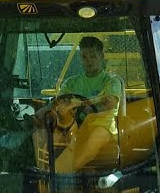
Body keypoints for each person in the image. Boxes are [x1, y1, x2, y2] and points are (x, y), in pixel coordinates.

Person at [39, 36, 125, 173]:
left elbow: (109, 104)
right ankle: (42, 170)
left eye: (93, 56)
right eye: (84, 57)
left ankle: (59, 173)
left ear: (101, 56)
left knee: (92, 140)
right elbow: (60, 103)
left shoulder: (112, 82)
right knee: (46, 135)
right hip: (74, 127)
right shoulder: (71, 83)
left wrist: (85, 107)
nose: (88, 61)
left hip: (102, 128)